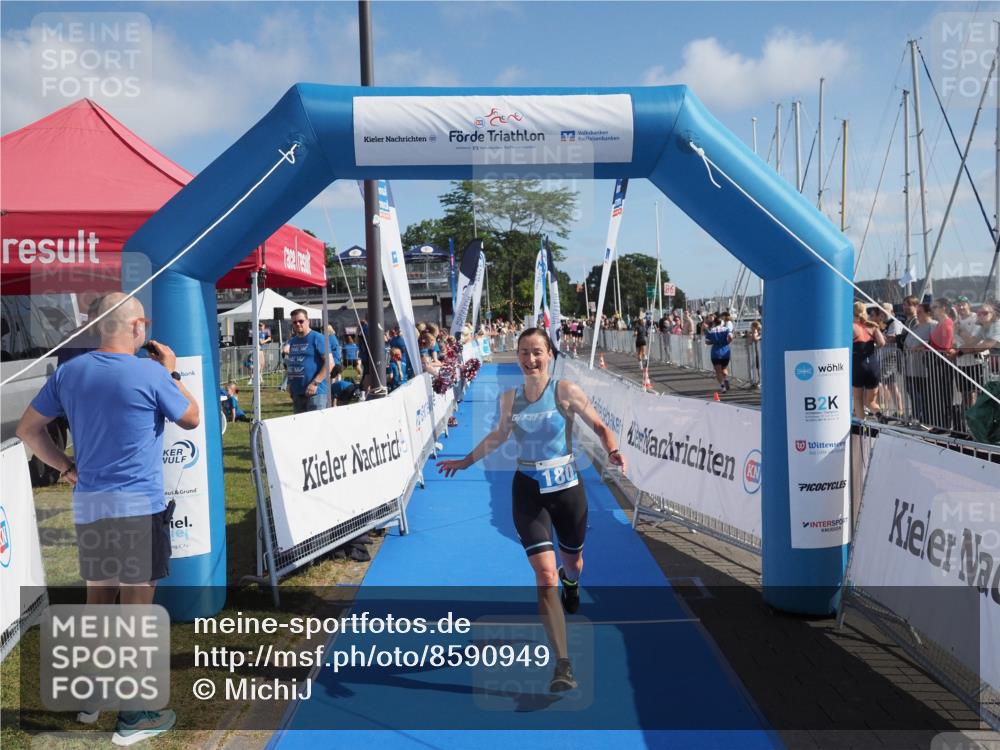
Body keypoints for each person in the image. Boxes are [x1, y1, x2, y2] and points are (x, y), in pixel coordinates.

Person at [16, 292, 199, 744]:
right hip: (137, 507)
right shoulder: (150, 373)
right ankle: (134, 715)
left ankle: (91, 693)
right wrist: (171, 369)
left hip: (93, 506)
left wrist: (66, 467)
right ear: (137, 326)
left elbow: (27, 430)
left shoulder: (70, 372)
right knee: (136, 611)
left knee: (100, 602)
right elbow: (192, 417)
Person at [436, 328, 627, 693]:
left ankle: (572, 581)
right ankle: (563, 664)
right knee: (544, 575)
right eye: (524, 352)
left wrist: (613, 451)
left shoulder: (566, 391)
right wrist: (465, 461)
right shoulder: (509, 398)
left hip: (567, 489)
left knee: (573, 563)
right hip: (528, 490)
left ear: (549, 355)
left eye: (537, 351)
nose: (530, 359)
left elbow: (601, 428)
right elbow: (498, 436)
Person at [286, 309, 330, 413]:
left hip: (316, 392)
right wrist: (289, 383)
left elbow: (329, 363)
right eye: (294, 322)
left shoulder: (318, 338)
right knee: (300, 427)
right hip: (297, 392)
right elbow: (292, 362)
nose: (297, 324)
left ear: (308, 321)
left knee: (315, 427)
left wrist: (315, 383)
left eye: (301, 321)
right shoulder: (293, 341)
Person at [852, 301, 885, 418]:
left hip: (858, 365)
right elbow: (882, 342)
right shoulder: (872, 326)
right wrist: (872, 346)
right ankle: (879, 414)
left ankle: (863, 427)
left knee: (858, 400)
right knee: (871, 402)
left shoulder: (851, 327)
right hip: (873, 365)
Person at [704, 313, 733, 392]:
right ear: (721, 322)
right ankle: (725, 379)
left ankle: (723, 386)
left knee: (718, 371)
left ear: (714, 323)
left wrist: (714, 342)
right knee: (724, 368)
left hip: (716, 352)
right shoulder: (726, 329)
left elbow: (706, 342)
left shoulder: (711, 331)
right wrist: (727, 342)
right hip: (725, 351)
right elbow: (730, 337)